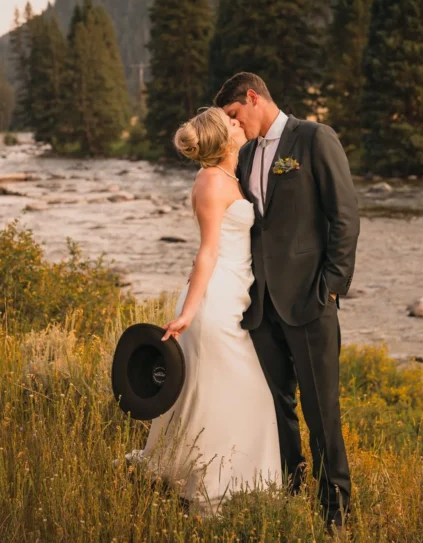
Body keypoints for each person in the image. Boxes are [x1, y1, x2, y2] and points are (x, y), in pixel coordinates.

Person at [213, 72, 360, 530]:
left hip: (310, 302)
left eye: (235, 115)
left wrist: (331, 287)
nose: (234, 127)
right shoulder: (247, 153)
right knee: (276, 407)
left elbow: (346, 217)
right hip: (261, 307)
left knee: (321, 411)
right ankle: (291, 490)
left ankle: (336, 509)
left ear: (253, 98)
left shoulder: (315, 139)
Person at [127, 107, 281, 515]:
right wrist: (188, 313)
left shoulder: (230, 175)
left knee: (213, 391)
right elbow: (207, 254)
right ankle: (214, 487)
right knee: (237, 392)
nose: (238, 122)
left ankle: (206, 475)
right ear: (224, 138)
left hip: (235, 295)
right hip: (214, 302)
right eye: (231, 121)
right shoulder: (213, 183)